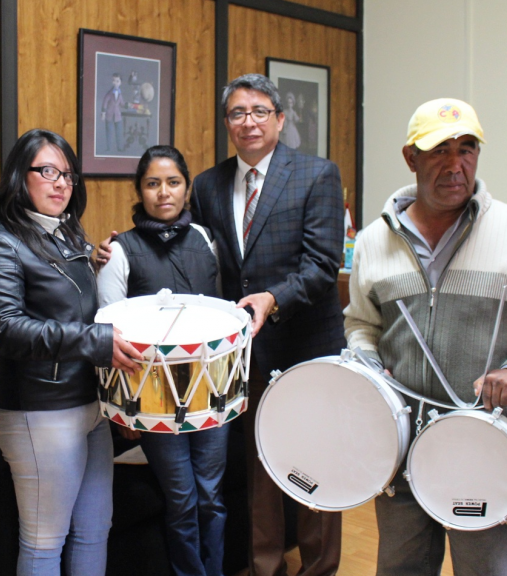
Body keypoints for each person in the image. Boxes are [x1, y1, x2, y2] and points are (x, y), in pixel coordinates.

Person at [101, 73, 346, 576]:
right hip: (245, 355)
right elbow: (179, 242)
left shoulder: (318, 175)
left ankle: (319, 569)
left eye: (259, 111)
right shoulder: (210, 184)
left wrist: (273, 299)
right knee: (258, 469)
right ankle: (264, 567)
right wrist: (106, 251)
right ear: (227, 123)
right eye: (237, 113)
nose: (248, 122)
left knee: (316, 462)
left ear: (280, 119)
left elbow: (323, 265)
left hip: (306, 345)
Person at [344, 98, 507, 575]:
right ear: (410, 157)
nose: (455, 165)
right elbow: (360, 323)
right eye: (439, 151)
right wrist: (367, 362)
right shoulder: (375, 240)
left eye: (467, 149)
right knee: (400, 569)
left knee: (491, 570)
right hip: (399, 447)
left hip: (486, 443)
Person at [0, 128, 142, 576]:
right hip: (38, 412)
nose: (61, 183)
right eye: (47, 171)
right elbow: (5, 328)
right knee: (45, 544)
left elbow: (70, 306)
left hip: (88, 406)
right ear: (18, 177)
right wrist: (96, 342)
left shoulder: (66, 235)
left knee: (95, 530)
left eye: (67, 174)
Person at [96, 145, 227, 576]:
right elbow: (111, 337)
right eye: (153, 183)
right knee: (183, 499)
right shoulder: (119, 251)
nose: (163, 192)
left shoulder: (207, 240)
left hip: (212, 395)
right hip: (154, 403)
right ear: (139, 190)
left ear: (187, 188)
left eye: (173, 182)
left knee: (211, 497)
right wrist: (124, 411)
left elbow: (223, 314)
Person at [101, 72, 126, 153]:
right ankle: (108, 148)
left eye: (117, 81)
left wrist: (128, 105)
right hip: (109, 115)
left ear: (120, 82)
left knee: (119, 133)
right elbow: (105, 102)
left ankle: (119, 147)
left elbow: (122, 103)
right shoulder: (109, 93)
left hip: (117, 116)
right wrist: (103, 113)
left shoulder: (120, 93)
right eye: (114, 81)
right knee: (109, 132)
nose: (115, 83)